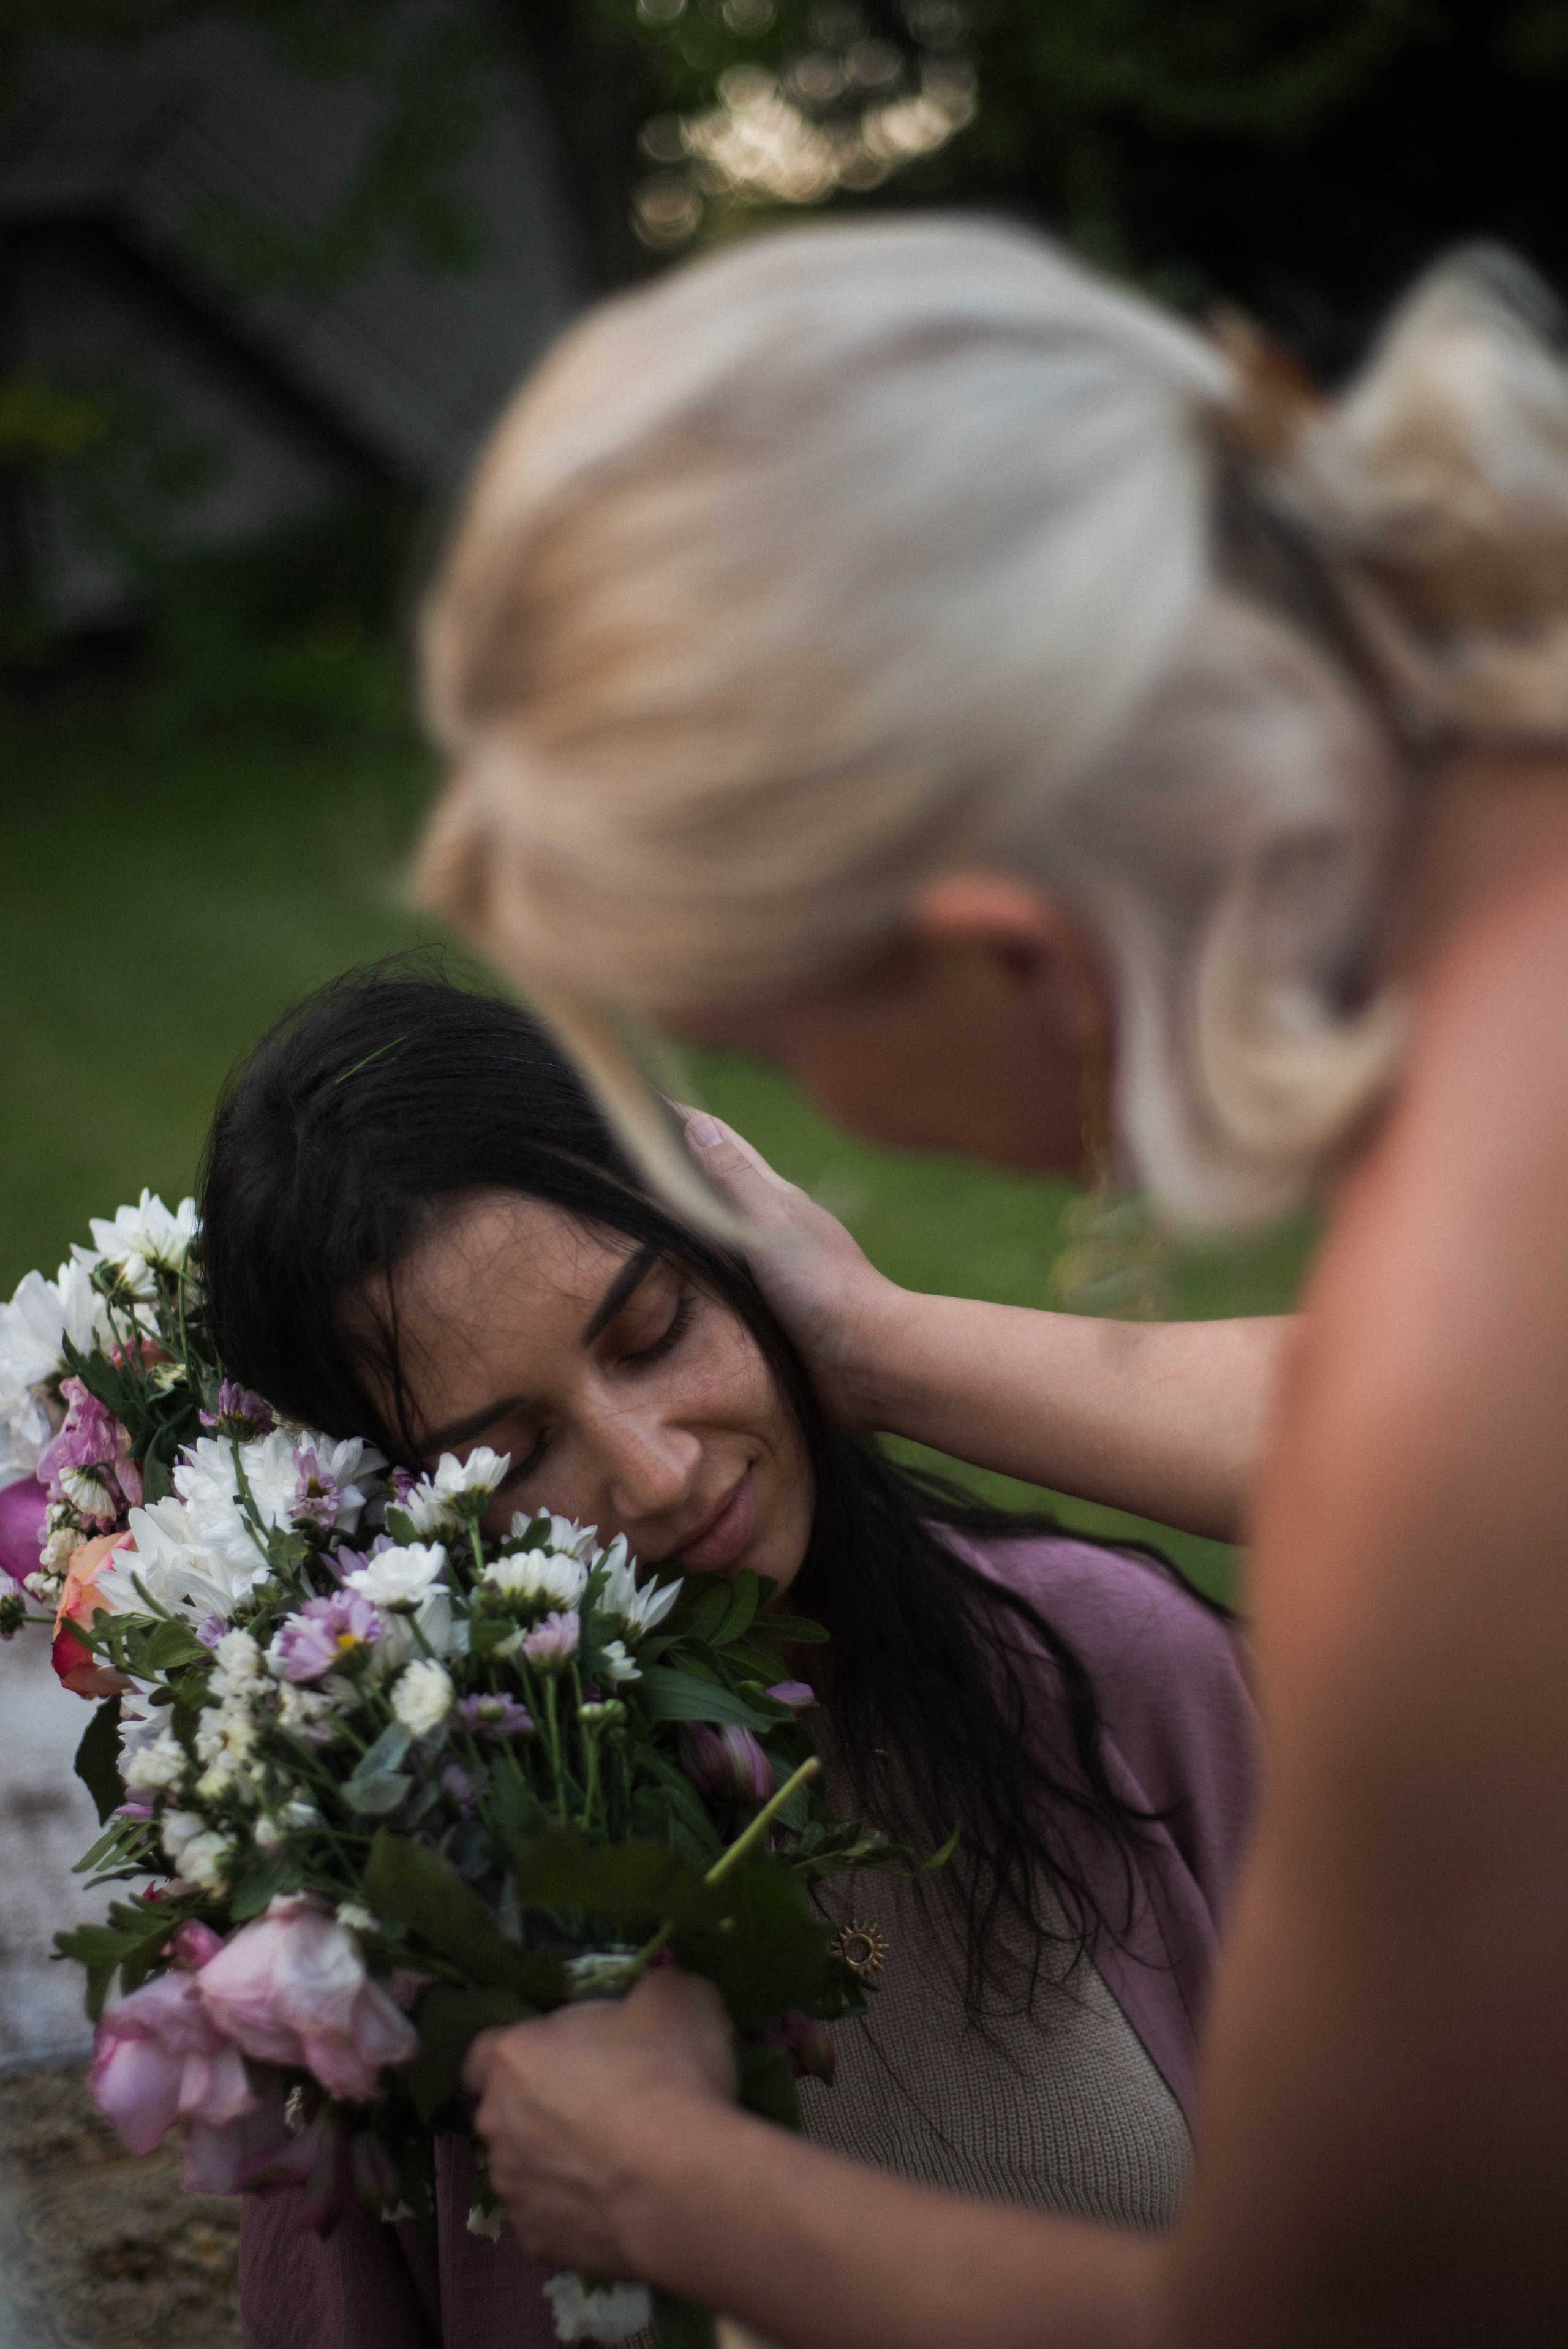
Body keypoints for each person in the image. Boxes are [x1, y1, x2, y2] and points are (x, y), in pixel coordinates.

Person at [408, 222, 1568, 2345]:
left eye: (765, 1041)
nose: (816, 1109)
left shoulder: (1453, 1452)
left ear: (1008, 942)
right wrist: (871, 1340)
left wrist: (673, 2182)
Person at [198, 968, 1258, 2349]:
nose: (656, 1469)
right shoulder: (385, 1925)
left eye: (654, 1330)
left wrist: (875, 1341)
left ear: (743, 1263)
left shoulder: (1124, 1677)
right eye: (508, 1456)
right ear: (378, 1522)